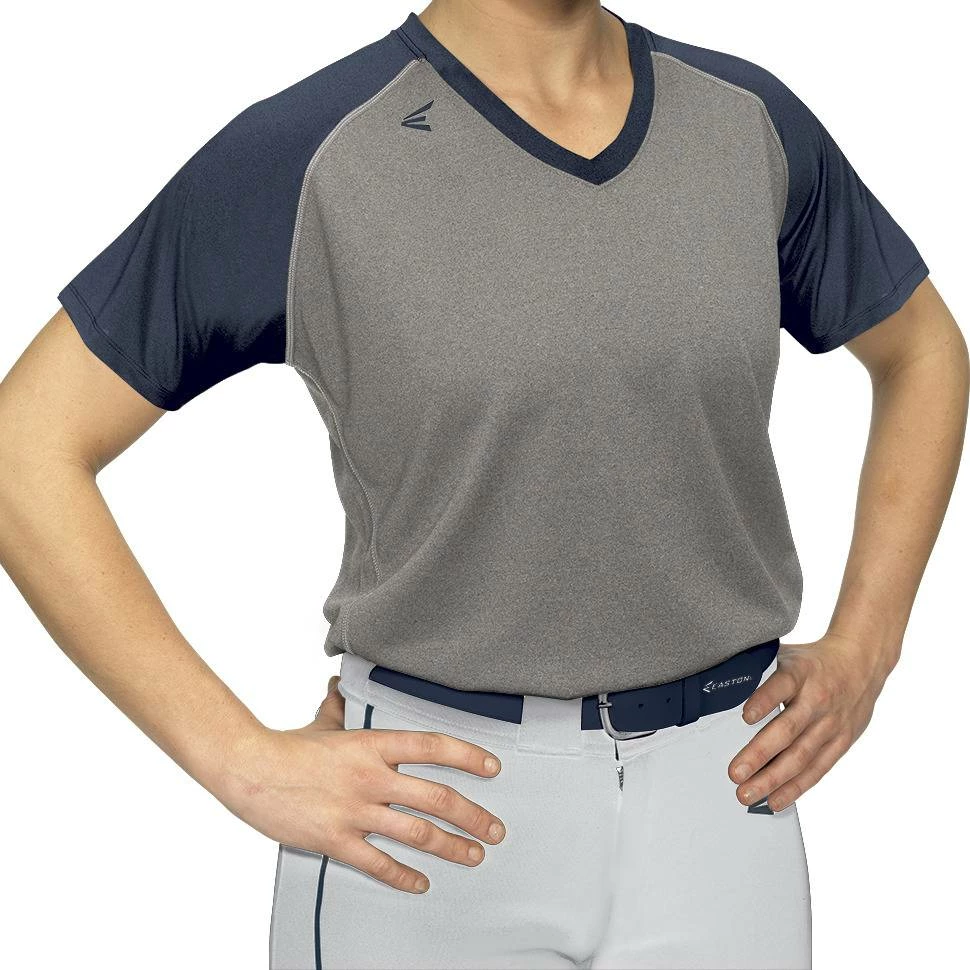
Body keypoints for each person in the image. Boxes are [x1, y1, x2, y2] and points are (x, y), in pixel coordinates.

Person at [0, 1, 966, 968]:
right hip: (427, 822)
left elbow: (923, 350)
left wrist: (867, 647)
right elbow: (24, 446)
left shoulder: (744, 120)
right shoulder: (313, 152)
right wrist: (238, 760)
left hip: (726, 799)